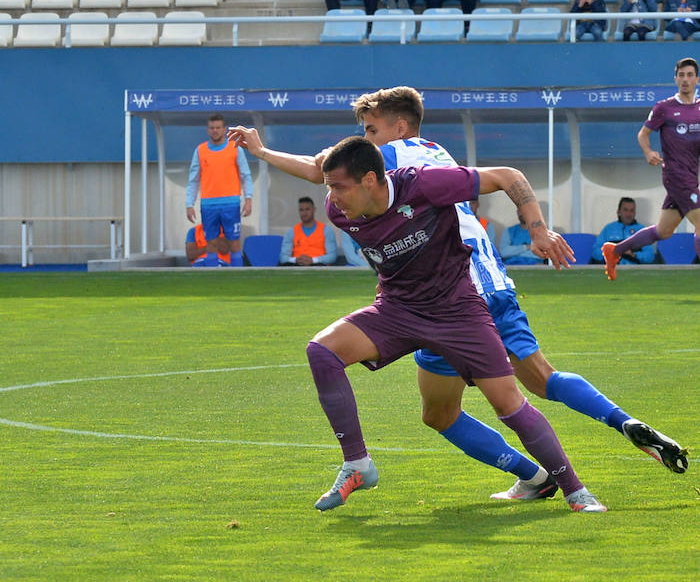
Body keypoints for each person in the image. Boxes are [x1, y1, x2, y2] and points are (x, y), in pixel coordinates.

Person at [233, 85, 689, 506]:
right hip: (478, 281)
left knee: (486, 401)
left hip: (455, 288)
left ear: (400, 128)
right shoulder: (436, 151)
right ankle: (593, 441)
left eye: (370, 129)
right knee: (510, 389)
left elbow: (320, 170)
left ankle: (561, 478)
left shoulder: (388, 157)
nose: (365, 137)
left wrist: (260, 149)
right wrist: (540, 229)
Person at [603, 57, 700, 279]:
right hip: (675, 175)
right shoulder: (664, 108)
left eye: (689, 75)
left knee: (664, 231)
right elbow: (643, 134)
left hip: (691, 177)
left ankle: (614, 250)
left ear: (697, 79)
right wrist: (648, 152)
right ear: (675, 79)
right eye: (681, 75)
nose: (685, 80)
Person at [185, 114, 253, 268]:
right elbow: (193, 179)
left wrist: (248, 199)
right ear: (207, 130)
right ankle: (212, 279)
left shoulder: (234, 148)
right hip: (208, 204)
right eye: (212, 128)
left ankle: (238, 279)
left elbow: (246, 175)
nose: (215, 131)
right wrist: (189, 204)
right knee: (211, 243)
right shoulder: (200, 150)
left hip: (231, 203)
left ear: (224, 129)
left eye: (218, 128)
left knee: (234, 242)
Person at [591, 197, 656, 264]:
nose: (628, 214)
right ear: (618, 212)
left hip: (634, 271)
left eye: (631, 210)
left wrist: (633, 254)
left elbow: (650, 256)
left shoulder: (642, 230)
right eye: (625, 210)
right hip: (612, 270)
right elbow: (595, 252)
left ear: (635, 213)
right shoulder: (608, 229)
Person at [279, 196, 337, 266]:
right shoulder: (291, 232)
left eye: (307, 209)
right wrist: (296, 260)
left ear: (314, 209)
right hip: (296, 266)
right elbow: (283, 258)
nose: (304, 213)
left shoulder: (327, 230)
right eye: (301, 210)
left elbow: (332, 256)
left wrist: (313, 260)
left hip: (319, 267)